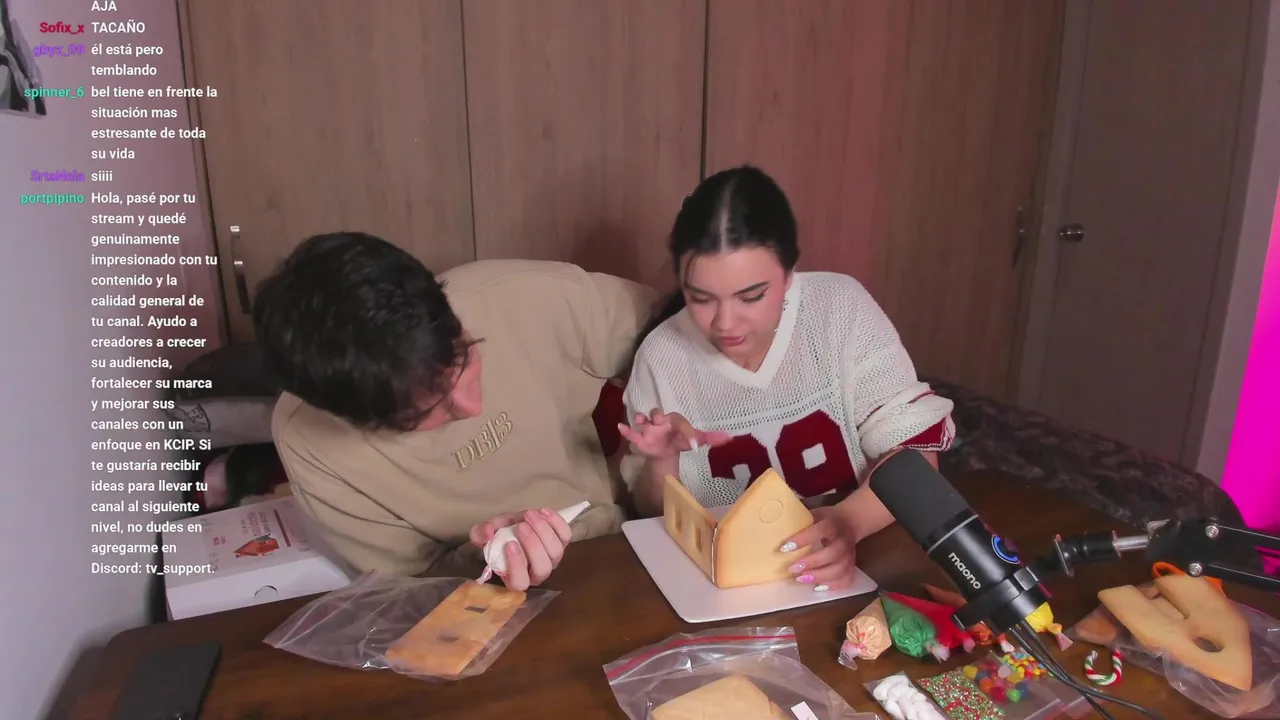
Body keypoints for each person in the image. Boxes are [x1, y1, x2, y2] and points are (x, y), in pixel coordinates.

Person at [254, 232, 657, 590]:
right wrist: (484, 561)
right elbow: (411, 589)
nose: (471, 406)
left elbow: (675, 328)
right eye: (424, 414)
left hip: (626, 539)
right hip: (506, 601)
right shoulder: (310, 444)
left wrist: (651, 460)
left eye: (464, 356)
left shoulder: (520, 295)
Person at [619, 165, 955, 592]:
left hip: (861, 560)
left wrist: (849, 523)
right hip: (729, 588)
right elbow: (653, 513)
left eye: (751, 296)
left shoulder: (840, 310)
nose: (725, 323)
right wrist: (662, 461)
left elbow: (916, 458)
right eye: (701, 298)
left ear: (789, 271)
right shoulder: (662, 356)